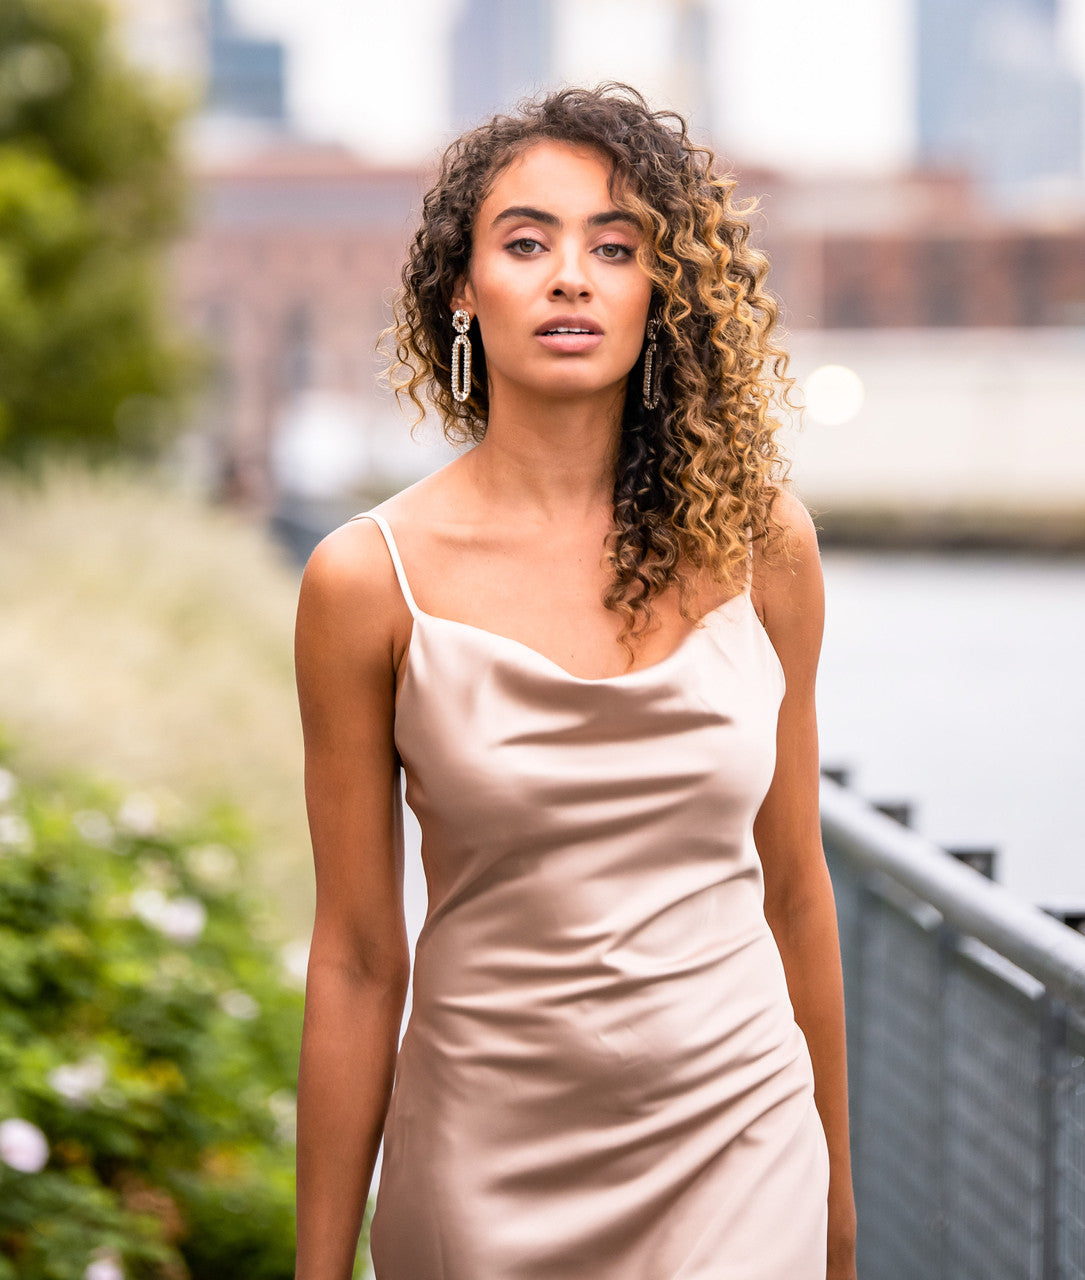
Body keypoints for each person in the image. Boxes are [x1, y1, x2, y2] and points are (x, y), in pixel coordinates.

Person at [293, 82, 857, 1280]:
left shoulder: (762, 544)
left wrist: (837, 1208)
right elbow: (352, 953)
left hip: (740, 1140)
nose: (570, 275)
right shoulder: (363, 581)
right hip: (482, 1161)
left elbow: (796, 892)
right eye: (525, 240)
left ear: (662, 294)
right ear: (460, 287)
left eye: (615, 245)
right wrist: (315, 1262)